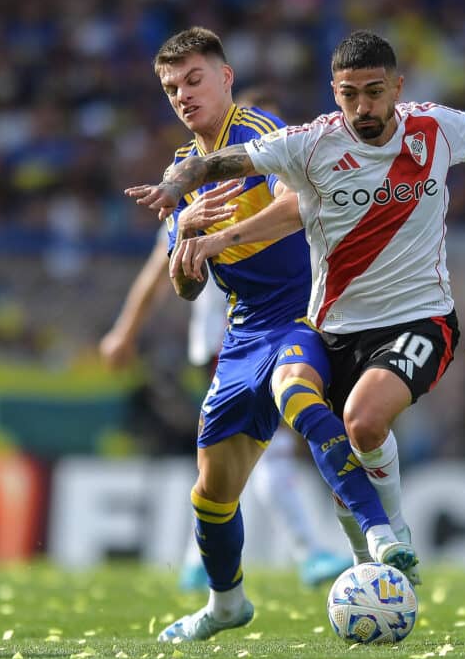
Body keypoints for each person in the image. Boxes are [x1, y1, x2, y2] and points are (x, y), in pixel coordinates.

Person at [128, 29, 465, 587]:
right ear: (333, 92)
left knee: (359, 420)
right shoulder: (311, 144)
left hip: (421, 318)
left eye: (373, 92)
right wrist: (175, 194)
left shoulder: (435, 127)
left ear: (397, 88)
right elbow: (214, 166)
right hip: (335, 327)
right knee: (333, 456)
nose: (362, 106)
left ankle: (391, 528)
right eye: (348, 94)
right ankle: (358, 566)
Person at [131, 27, 415, 644]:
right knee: (211, 492)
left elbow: (297, 207)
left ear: (225, 78)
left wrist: (221, 236)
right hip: (243, 330)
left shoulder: (258, 134)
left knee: (296, 392)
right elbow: (185, 287)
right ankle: (226, 602)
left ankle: (379, 533)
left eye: (195, 80)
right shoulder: (182, 171)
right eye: (172, 88)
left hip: (308, 309)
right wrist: (187, 241)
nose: (183, 95)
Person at [100, 221, 352, 590]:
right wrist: (125, 332)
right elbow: (159, 269)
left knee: (232, 452)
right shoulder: (204, 196)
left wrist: (125, 332)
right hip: (237, 338)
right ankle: (309, 551)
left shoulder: (253, 180)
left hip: (244, 336)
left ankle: (196, 561)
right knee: (271, 447)